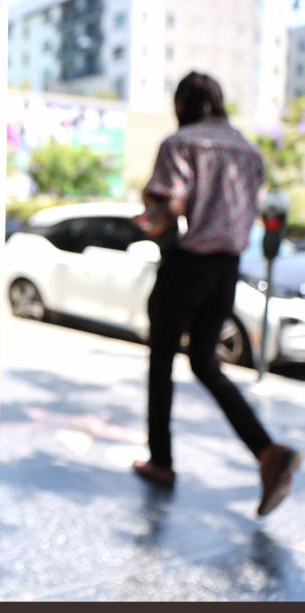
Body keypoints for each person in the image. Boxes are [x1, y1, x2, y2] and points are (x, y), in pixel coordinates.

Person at [133, 71, 300, 517]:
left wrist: (148, 215)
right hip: (227, 268)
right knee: (205, 361)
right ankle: (267, 451)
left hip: (189, 264)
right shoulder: (249, 151)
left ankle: (162, 461)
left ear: (184, 103)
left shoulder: (181, 143)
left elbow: (170, 207)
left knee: (162, 358)